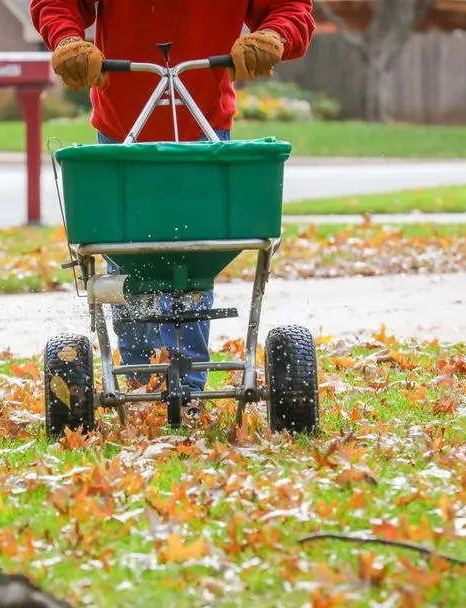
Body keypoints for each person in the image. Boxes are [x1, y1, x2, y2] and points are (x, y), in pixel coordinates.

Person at [30, 0, 316, 396]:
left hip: (204, 127)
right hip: (121, 129)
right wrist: (68, 40)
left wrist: (273, 36)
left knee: (194, 257)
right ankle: (139, 378)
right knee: (126, 258)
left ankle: (190, 381)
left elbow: (290, 8)